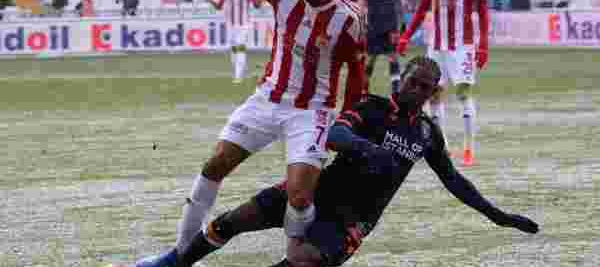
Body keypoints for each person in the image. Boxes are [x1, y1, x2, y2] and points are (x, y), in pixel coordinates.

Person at [158, 56, 540, 267]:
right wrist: (370, 149)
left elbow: (454, 180)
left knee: (303, 262)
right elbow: (336, 135)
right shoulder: (371, 108)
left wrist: (498, 215)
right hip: (316, 191)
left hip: (353, 220)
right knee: (230, 221)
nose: (417, 90)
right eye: (413, 82)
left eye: (425, 88)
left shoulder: (426, 134)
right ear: (401, 78)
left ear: (432, 93)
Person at [135, 0, 366, 265]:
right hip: (267, 100)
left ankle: (296, 258)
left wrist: (348, 119)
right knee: (215, 165)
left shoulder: (349, 18)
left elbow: (356, 75)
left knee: (299, 198)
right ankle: (180, 255)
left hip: (311, 113)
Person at [396, 0, 490, 166]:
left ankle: (468, 149)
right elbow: (421, 10)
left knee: (463, 93)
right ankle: (444, 148)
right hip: (436, 47)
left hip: (462, 47)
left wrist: (482, 46)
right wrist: (405, 37)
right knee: (433, 95)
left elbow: (483, 13)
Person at [205, 0, 264, 84]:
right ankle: (240, 70)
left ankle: (238, 75)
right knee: (234, 48)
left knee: (239, 46)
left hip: (243, 23)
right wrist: (210, 1)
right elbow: (219, 6)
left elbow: (256, 5)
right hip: (231, 23)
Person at [360, 0, 404, 95]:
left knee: (393, 56)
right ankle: (364, 89)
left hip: (390, 27)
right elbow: (361, 2)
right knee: (371, 58)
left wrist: (401, 24)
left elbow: (398, 2)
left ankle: (396, 90)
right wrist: (361, 20)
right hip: (373, 26)